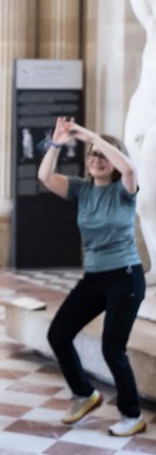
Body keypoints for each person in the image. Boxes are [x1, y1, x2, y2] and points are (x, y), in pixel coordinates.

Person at [38, 117, 148, 438]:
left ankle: (132, 415)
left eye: (103, 155)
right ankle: (85, 394)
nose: (97, 160)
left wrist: (88, 135)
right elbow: (45, 175)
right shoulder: (81, 189)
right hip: (95, 278)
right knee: (58, 334)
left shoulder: (124, 189)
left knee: (113, 348)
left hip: (125, 277)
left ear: (113, 160)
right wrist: (58, 140)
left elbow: (128, 169)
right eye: (92, 155)